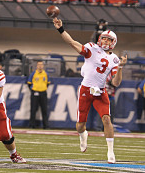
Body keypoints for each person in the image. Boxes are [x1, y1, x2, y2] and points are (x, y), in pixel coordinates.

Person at [53, 17, 127, 164]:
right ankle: (83, 135)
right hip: (86, 89)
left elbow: (116, 83)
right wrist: (61, 29)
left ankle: (111, 152)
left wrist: (120, 68)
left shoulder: (115, 60)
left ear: (113, 43)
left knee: (106, 119)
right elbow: (72, 43)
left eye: (108, 40)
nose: (105, 41)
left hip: (101, 91)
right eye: (104, 39)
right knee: (80, 125)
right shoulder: (92, 48)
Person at [27, 61, 50, 129]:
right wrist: (33, 90)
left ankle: (45, 126)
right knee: (33, 109)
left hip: (43, 93)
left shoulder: (46, 74)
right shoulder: (33, 74)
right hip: (35, 93)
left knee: (44, 110)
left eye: (41, 65)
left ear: (43, 66)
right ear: (36, 66)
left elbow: (48, 83)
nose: (40, 66)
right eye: (39, 65)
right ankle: (32, 125)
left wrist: (43, 88)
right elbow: (29, 83)